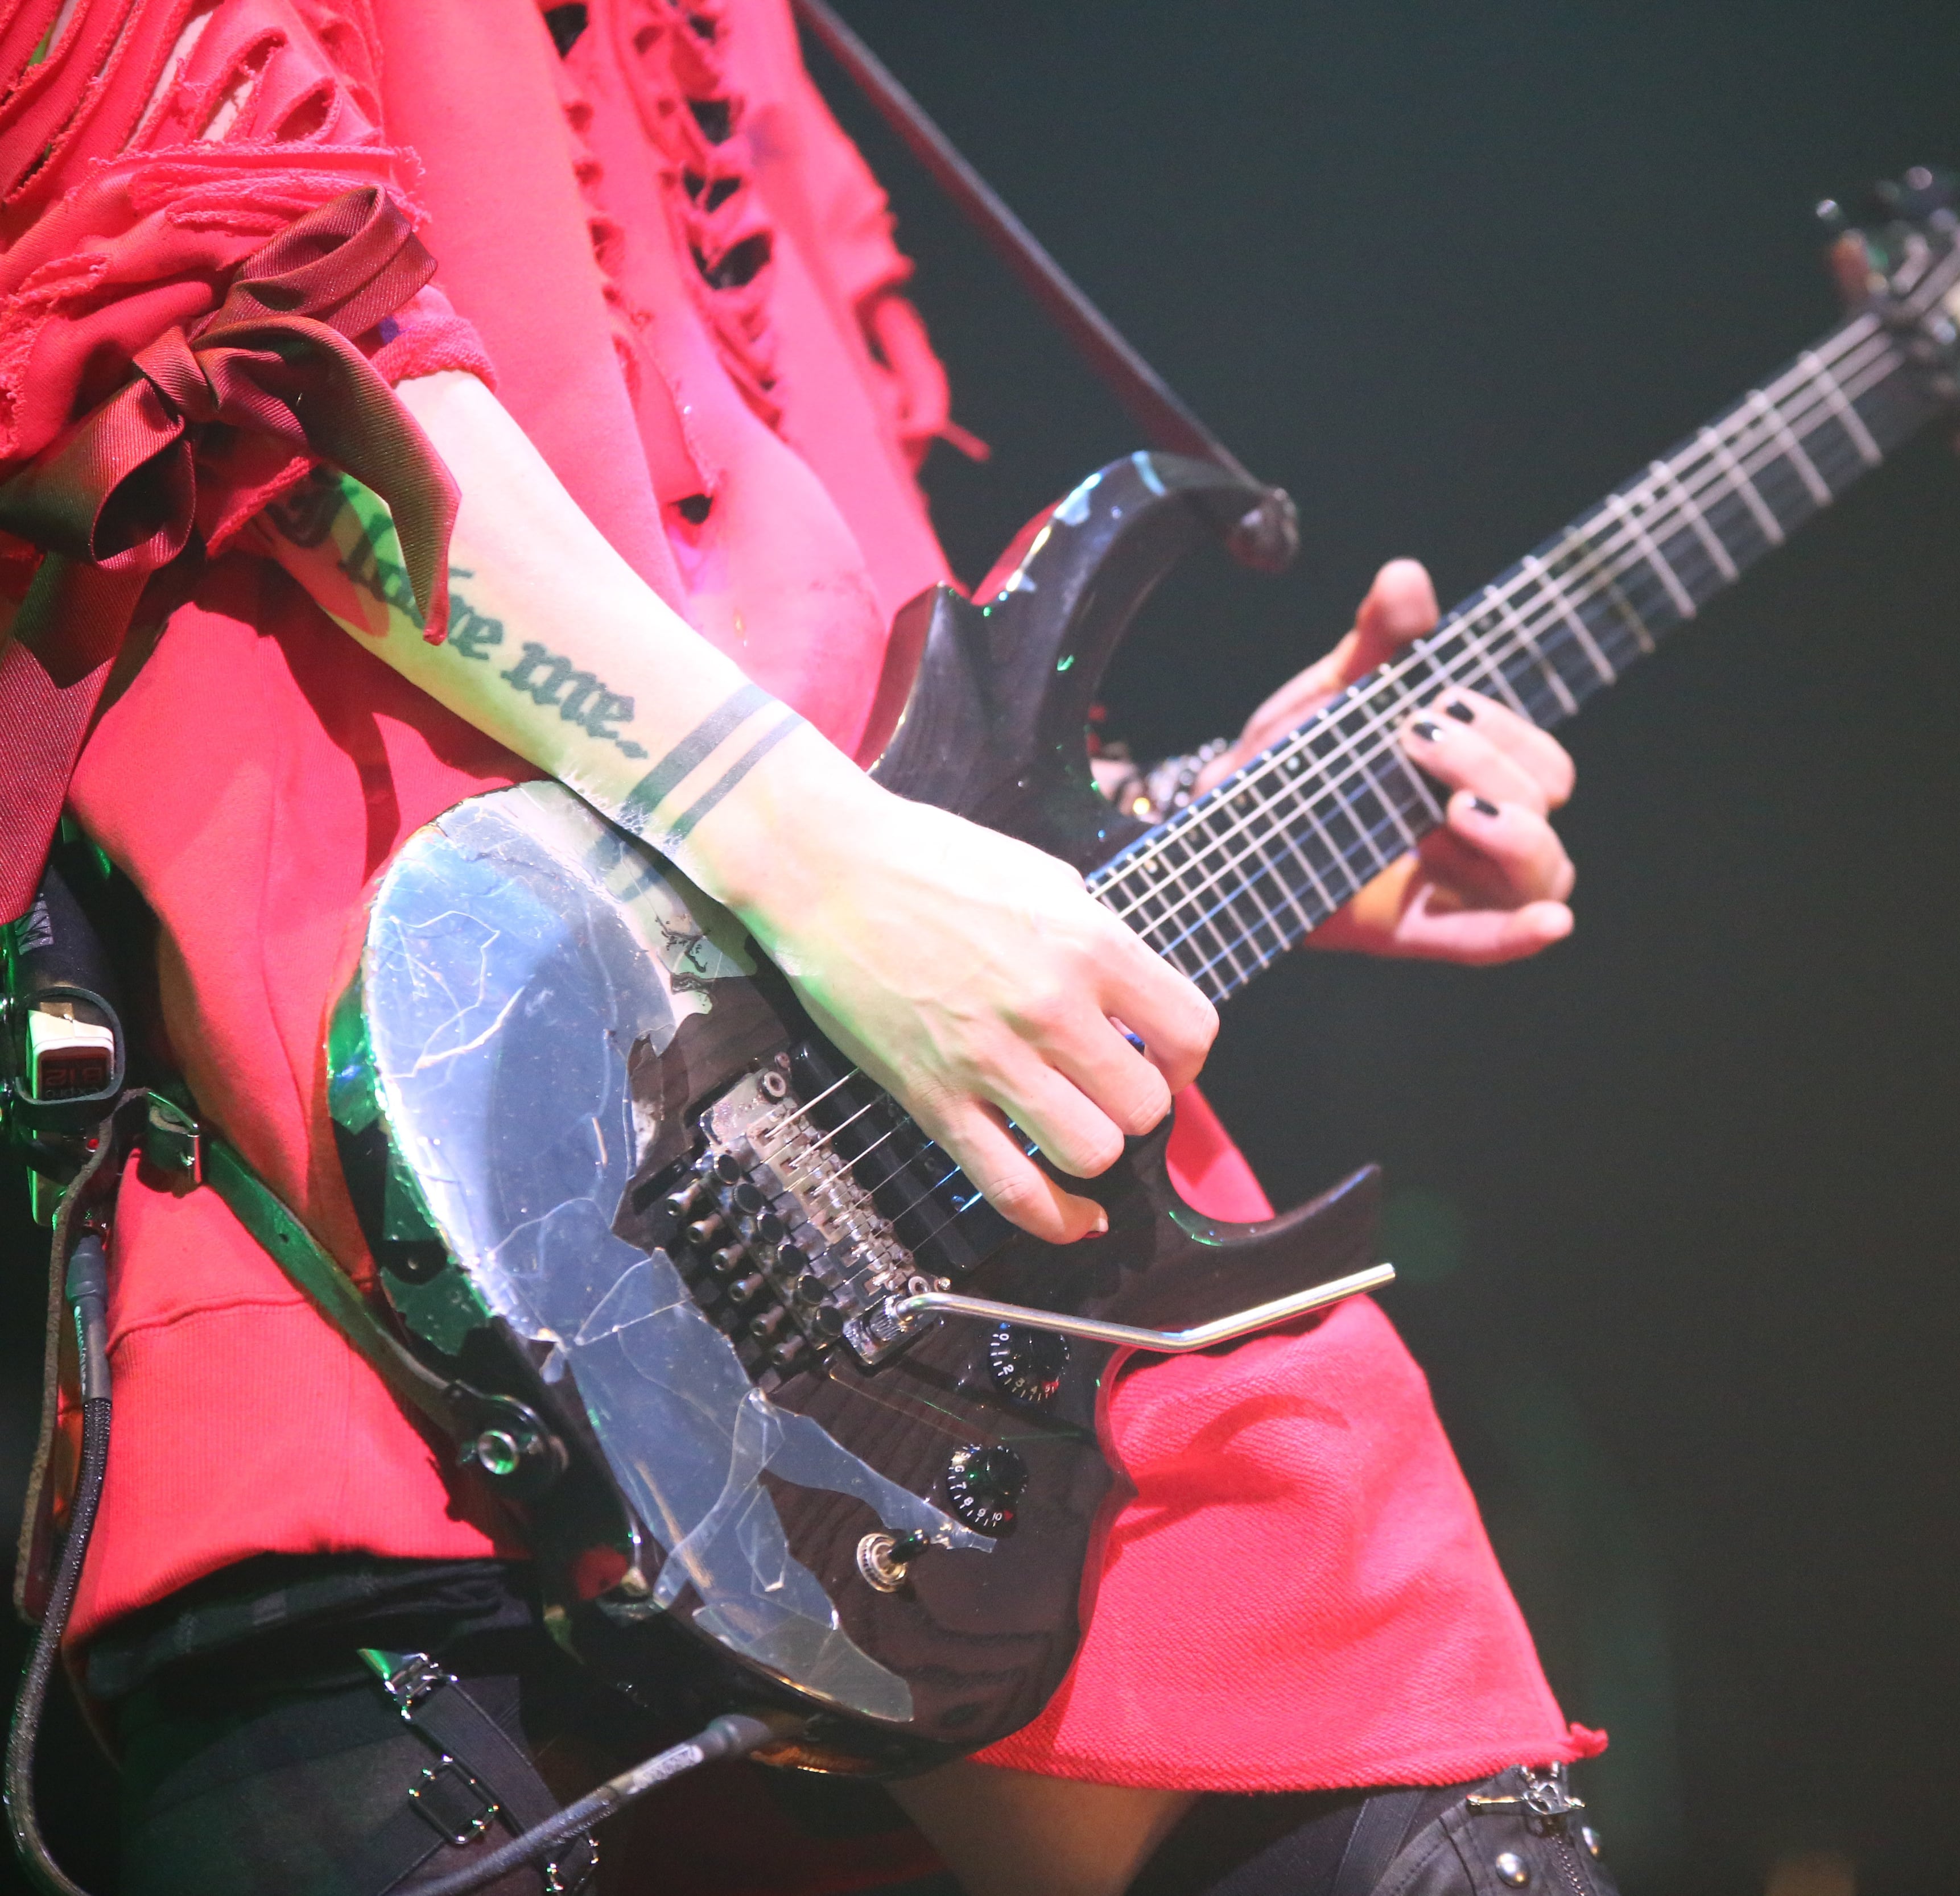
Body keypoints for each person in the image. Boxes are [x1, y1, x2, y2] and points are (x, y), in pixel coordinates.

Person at [0, 2, 1610, 1891]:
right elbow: (255, 345)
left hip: (919, 1220)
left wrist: (1152, 829)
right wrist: (829, 865)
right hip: (354, 1164)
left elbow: (841, 661)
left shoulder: (743, 42)